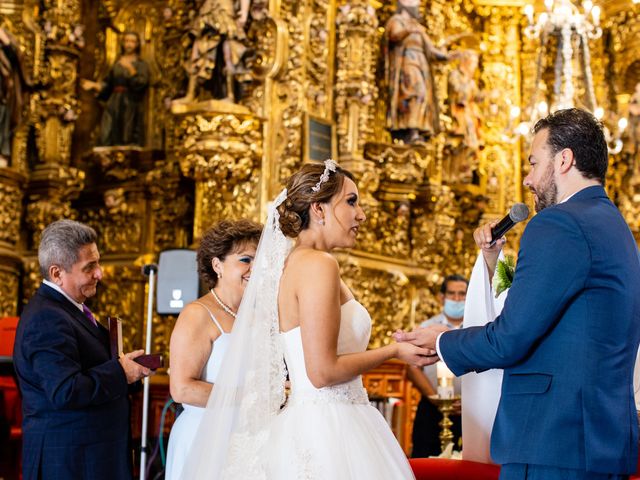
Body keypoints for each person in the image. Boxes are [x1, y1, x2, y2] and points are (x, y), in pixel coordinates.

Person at [395, 108, 640, 479]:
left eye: (532, 163)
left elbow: (511, 338)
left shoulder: (558, 223)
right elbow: (557, 317)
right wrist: (494, 260)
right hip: (597, 441)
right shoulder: (617, 229)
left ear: (564, 159)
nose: (527, 179)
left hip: (551, 440)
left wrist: (442, 340)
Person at [179, 160, 432, 479]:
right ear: (319, 209)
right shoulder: (317, 264)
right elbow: (322, 372)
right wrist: (393, 352)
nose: (361, 214)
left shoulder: (295, 262)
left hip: (327, 418)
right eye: (351, 201)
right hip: (328, 426)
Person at [13, 219, 151, 480]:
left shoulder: (69, 309)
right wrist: (121, 373)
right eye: (90, 267)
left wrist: (129, 371)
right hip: (69, 462)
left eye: (97, 262)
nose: (100, 273)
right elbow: (66, 390)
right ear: (57, 273)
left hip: (88, 457)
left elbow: (91, 368)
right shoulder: (46, 319)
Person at [165, 219, 262, 480]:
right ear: (217, 265)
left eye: (260, 259)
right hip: (205, 437)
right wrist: (253, 396)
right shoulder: (198, 314)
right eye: (245, 260)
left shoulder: (257, 316)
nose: (255, 268)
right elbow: (182, 389)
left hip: (250, 439)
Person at [408, 274, 467, 457]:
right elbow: (412, 367)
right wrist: (435, 398)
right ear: (442, 297)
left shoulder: (478, 327)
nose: (457, 299)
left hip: (469, 410)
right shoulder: (427, 327)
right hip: (431, 407)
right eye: (451, 294)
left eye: (462, 294)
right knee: (427, 459)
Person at [384, 0, 457, 144]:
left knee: (422, 96)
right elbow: (393, 35)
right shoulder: (397, 20)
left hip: (421, 64)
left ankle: (416, 130)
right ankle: (409, 130)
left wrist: (448, 56)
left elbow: (431, 49)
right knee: (414, 93)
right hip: (406, 63)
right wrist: (408, 30)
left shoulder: (418, 27)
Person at [173, 0, 251, 104]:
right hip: (207, 9)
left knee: (228, 46)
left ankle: (230, 94)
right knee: (200, 44)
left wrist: (244, 11)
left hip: (224, 9)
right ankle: (191, 93)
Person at [81, 31, 149, 146]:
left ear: (137, 44)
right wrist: (95, 85)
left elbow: (141, 83)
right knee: (107, 131)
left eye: (132, 41)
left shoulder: (140, 64)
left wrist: (131, 69)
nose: (129, 44)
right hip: (114, 102)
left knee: (126, 132)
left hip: (129, 102)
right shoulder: (117, 63)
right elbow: (108, 84)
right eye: (127, 41)